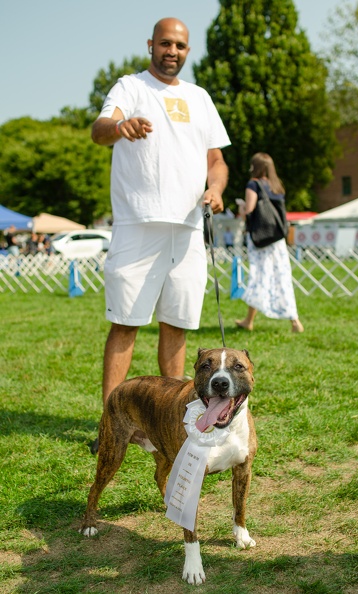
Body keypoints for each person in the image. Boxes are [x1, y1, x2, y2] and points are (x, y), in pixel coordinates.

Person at [91, 18, 230, 420]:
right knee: (125, 324)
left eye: (181, 46)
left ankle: (176, 418)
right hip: (139, 224)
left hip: (187, 229)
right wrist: (120, 126)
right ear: (151, 44)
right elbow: (99, 131)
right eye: (165, 43)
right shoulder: (129, 87)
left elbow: (216, 160)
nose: (172, 51)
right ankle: (111, 422)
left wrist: (216, 189)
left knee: (177, 324)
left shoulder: (200, 97)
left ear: (188, 51)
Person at [235, 152, 304, 333]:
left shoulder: (253, 184)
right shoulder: (276, 186)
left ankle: (249, 321)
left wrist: (241, 207)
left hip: (260, 238)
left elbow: (249, 210)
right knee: (281, 277)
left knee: (259, 276)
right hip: (277, 239)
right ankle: (294, 321)